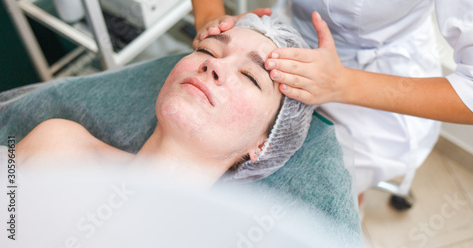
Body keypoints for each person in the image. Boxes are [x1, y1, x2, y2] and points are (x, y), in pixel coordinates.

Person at [179, 0, 473, 195]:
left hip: (376, 79)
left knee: (325, 186)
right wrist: (209, 18)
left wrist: (342, 84)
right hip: (290, 37)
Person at [15, 14, 314, 187]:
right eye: (208, 51)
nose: (214, 65)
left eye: (250, 76)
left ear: (264, 145)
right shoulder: (59, 145)